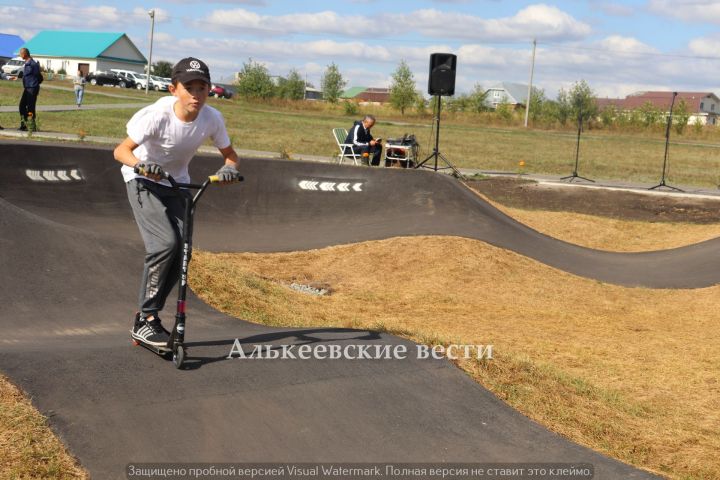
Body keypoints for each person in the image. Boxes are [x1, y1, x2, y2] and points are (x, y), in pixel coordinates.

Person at [113, 57, 242, 347]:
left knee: (183, 250)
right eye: (189, 87)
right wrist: (141, 166)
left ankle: (146, 316)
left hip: (177, 183)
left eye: (202, 87)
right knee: (164, 244)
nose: (196, 94)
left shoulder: (212, 118)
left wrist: (228, 170)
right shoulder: (157, 116)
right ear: (174, 89)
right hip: (143, 180)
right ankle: (146, 319)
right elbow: (120, 151)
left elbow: (231, 156)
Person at [18, 47, 41, 132]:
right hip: (27, 88)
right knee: (22, 106)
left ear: (24, 54)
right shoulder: (27, 63)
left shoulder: (33, 64)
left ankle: (32, 126)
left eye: (20, 54)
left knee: (30, 107)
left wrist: (34, 86)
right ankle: (24, 124)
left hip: (32, 88)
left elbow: (38, 76)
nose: (20, 55)